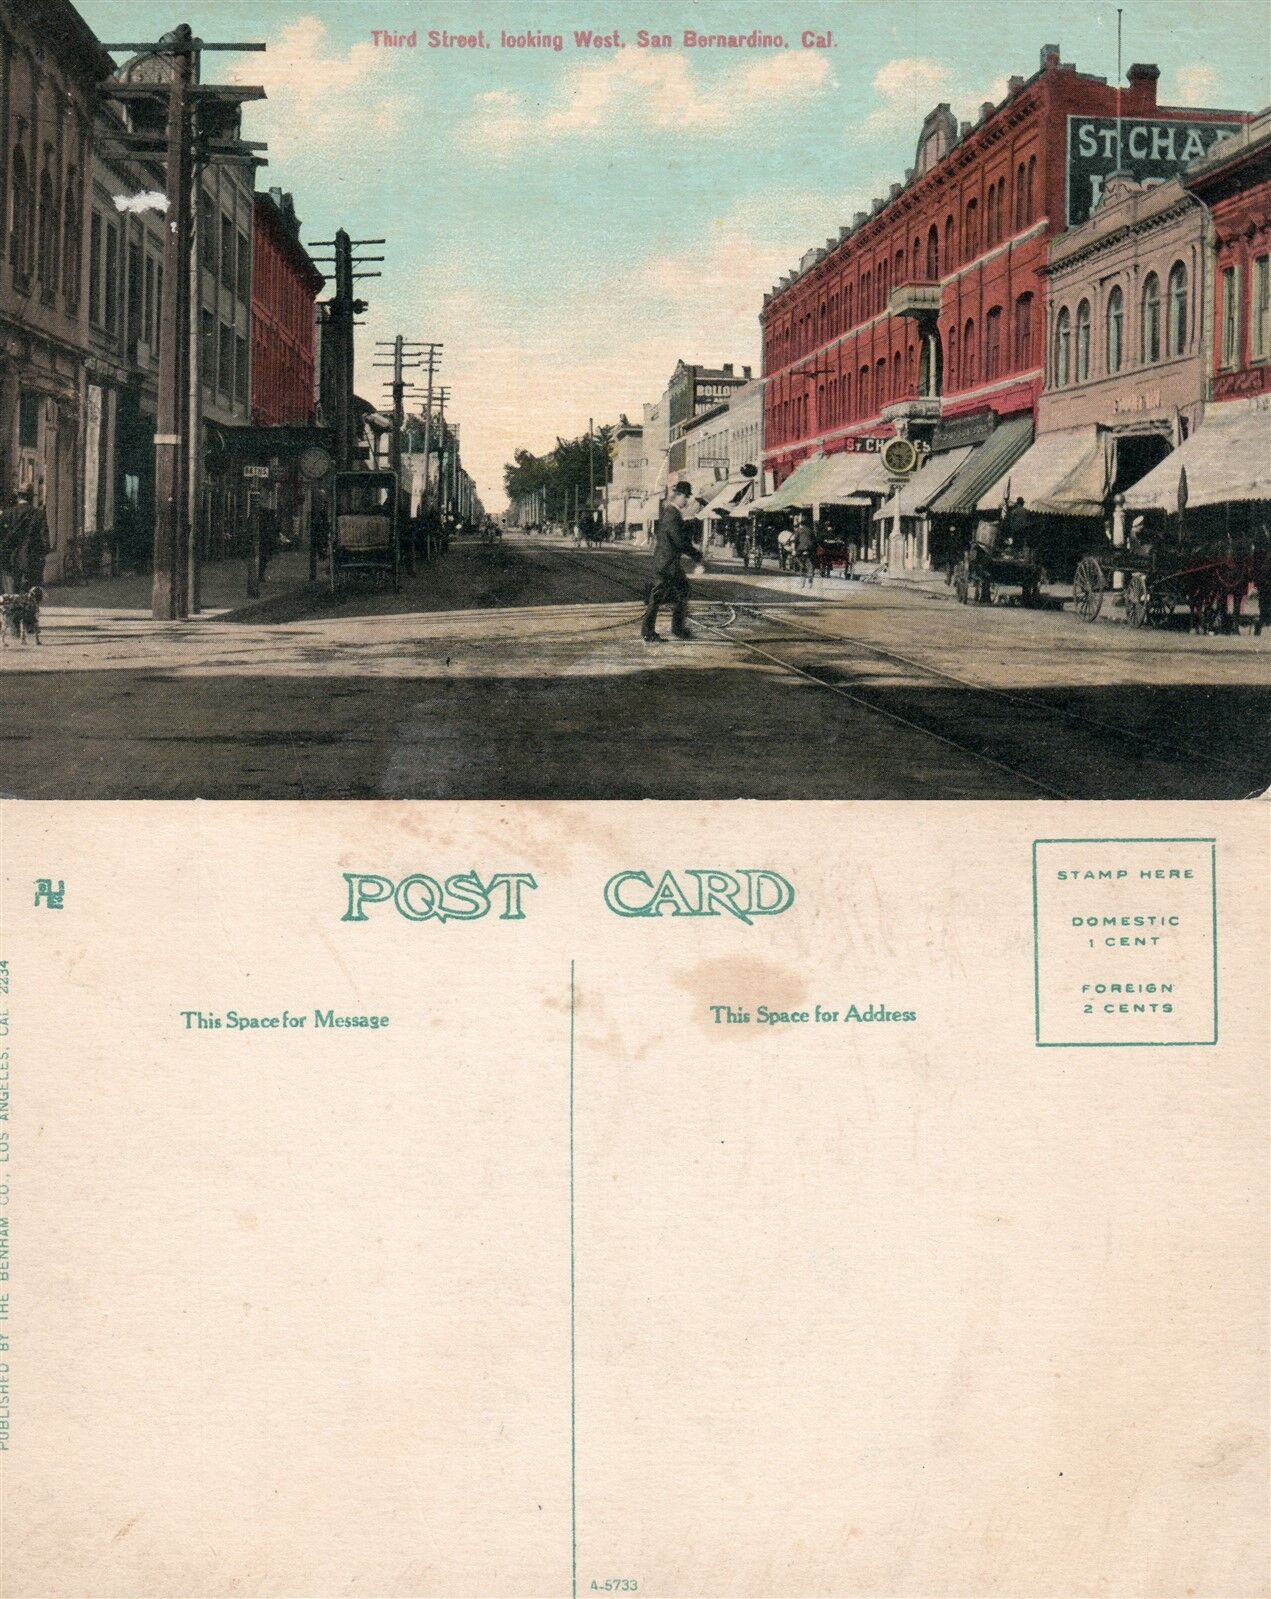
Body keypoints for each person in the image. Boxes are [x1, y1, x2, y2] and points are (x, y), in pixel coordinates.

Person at [640, 480, 702, 643]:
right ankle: (653, 632)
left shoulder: (670, 512)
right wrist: (696, 555)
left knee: (678, 592)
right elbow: (679, 541)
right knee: (660, 597)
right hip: (667, 565)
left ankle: (675, 629)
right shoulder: (672, 514)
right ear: (678, 495)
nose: (686, 501)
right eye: (685, 497)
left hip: (667, 563)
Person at [0, 486, 50, 593]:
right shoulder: (39, 514)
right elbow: (45, 542)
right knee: (31, 597)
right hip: (32, 562)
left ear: (18, 496)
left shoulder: (7, 514)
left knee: (11, 596)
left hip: (10, 562)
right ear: (31, 498)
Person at [793, 513, 816, 587]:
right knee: (810, 564)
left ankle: (802, 581)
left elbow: (795, 540)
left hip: (800, 549)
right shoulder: (810, 530)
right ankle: (810, 580)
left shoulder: (798, 530)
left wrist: (794, 550)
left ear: (800, 524)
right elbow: (814, 540)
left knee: (798, 561)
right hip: (809, 549)